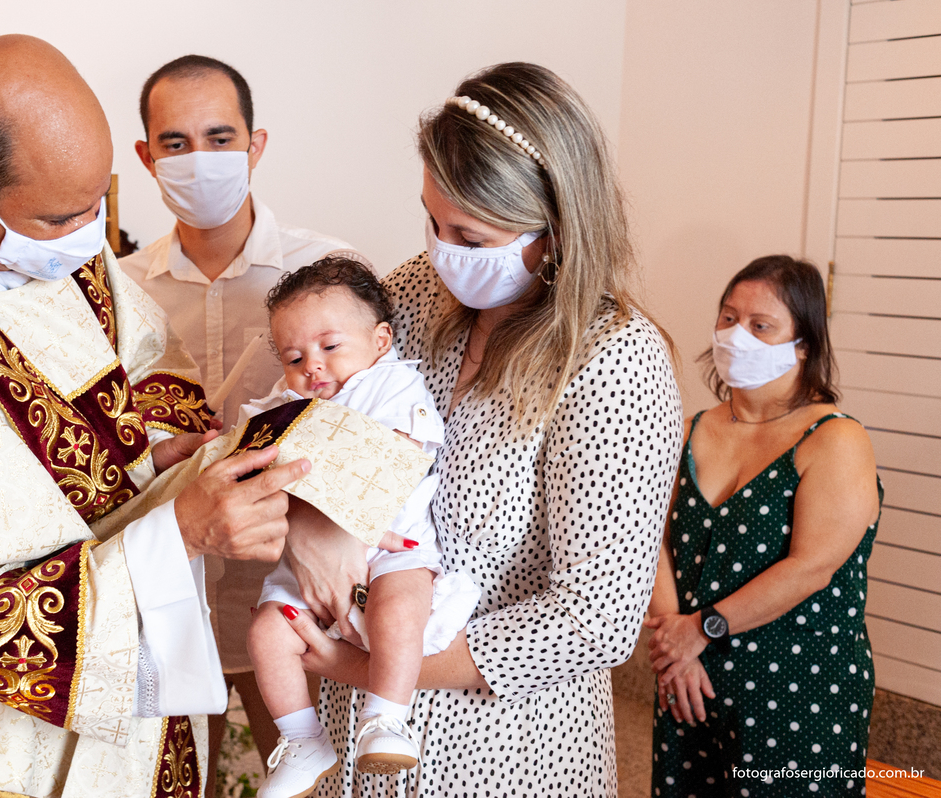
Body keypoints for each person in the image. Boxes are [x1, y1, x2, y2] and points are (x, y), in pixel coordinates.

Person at [0, 35, 309, 798]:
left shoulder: (45, 242)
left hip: (132, 665)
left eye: (97, 201)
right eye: (63, 216)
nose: (89, 237)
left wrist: (159, 448)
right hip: (9, 729)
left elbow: (150, 363)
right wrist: (182, 528)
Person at [269, 63, 684, 797]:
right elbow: (322, 420)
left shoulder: (614, 362)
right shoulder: (417, 294)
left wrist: (366, 670)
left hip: (499, 749)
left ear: (556, 232)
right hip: (357, 734)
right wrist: (305, 525)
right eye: (432, 220)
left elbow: (596, 620)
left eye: (470, 233)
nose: (441, 247)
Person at [118, 54, 368, 778]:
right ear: (146, 157)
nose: (201, 159)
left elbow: (371, 427)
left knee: (313, 778)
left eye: (220, 138)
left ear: (256, 146)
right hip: (170, 595)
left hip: (288, 592)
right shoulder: (119, 292)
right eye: (176, 143)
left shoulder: (328, 273)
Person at [645, 255, 881, 797]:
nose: (736, 336)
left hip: (800, 689)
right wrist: (672, 646)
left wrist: (698, 629)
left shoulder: (834, 439)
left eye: (760, 326)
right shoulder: (687, 430)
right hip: (689, 680)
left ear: (803, 346)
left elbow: (811, 568)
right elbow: (650, 541)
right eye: (728, 318)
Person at [242, 258, 478, 797]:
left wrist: (295, 476)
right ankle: (302, 740)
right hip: (303, 566)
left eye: (330, 347)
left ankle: (386, 717)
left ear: (379, 340)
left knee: (399, 610)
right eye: (294, 357)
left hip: (391, 550)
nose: (313, 368)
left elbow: (395, 456)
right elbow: (246, 460)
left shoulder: (389, 385)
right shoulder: (284, 406)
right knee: (266, 632)